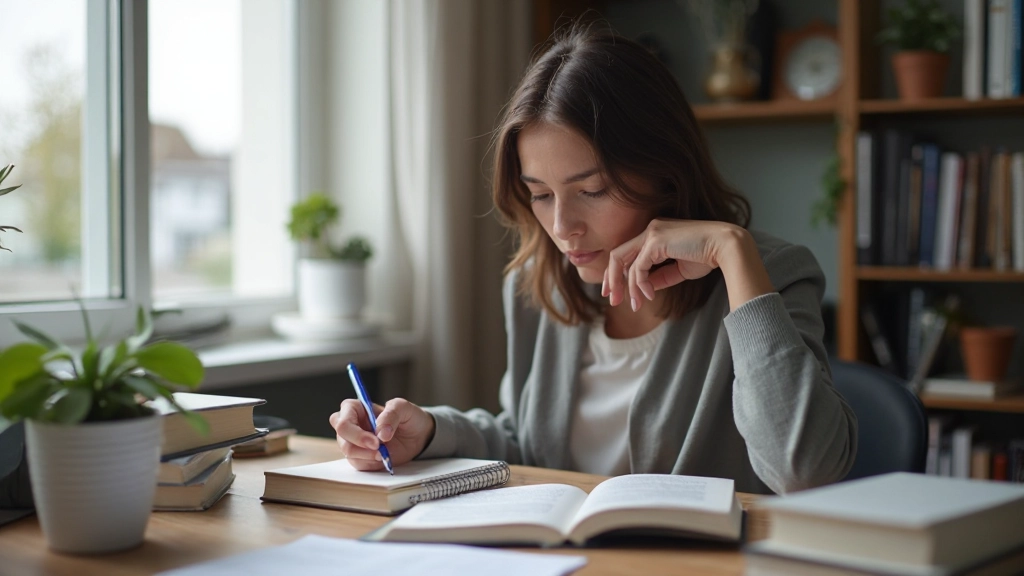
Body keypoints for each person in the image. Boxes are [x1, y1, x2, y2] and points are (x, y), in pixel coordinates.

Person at [329, 23, 857, 495]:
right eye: (540, 193)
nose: (562, 228)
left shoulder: (771, 276)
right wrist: (428, 432)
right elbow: (526, 438)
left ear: (664, 171)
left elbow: (803, 469)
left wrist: (734, 253)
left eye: (594, 189)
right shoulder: (541, 283)